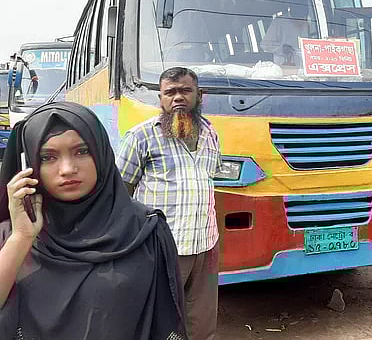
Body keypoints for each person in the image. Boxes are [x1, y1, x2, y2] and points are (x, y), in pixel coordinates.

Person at [0, 102, 185, 339]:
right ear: (29, 168)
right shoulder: (12, 235)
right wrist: (22, 237)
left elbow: (163, 320)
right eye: (48, 157)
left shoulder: (146, 230)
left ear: (101, 153)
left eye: (82, 151)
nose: (67, 169)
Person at [117, 67, 222, 340]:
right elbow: (119, 195)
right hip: (161, 249)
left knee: (202, 324)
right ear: (161, 99)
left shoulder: (211, 134)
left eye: (185, 91)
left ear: (201, 96)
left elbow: (209, 185)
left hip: (206, 245)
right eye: (170, 92)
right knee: (158, 323)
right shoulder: (141, 137)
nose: (178, 98)